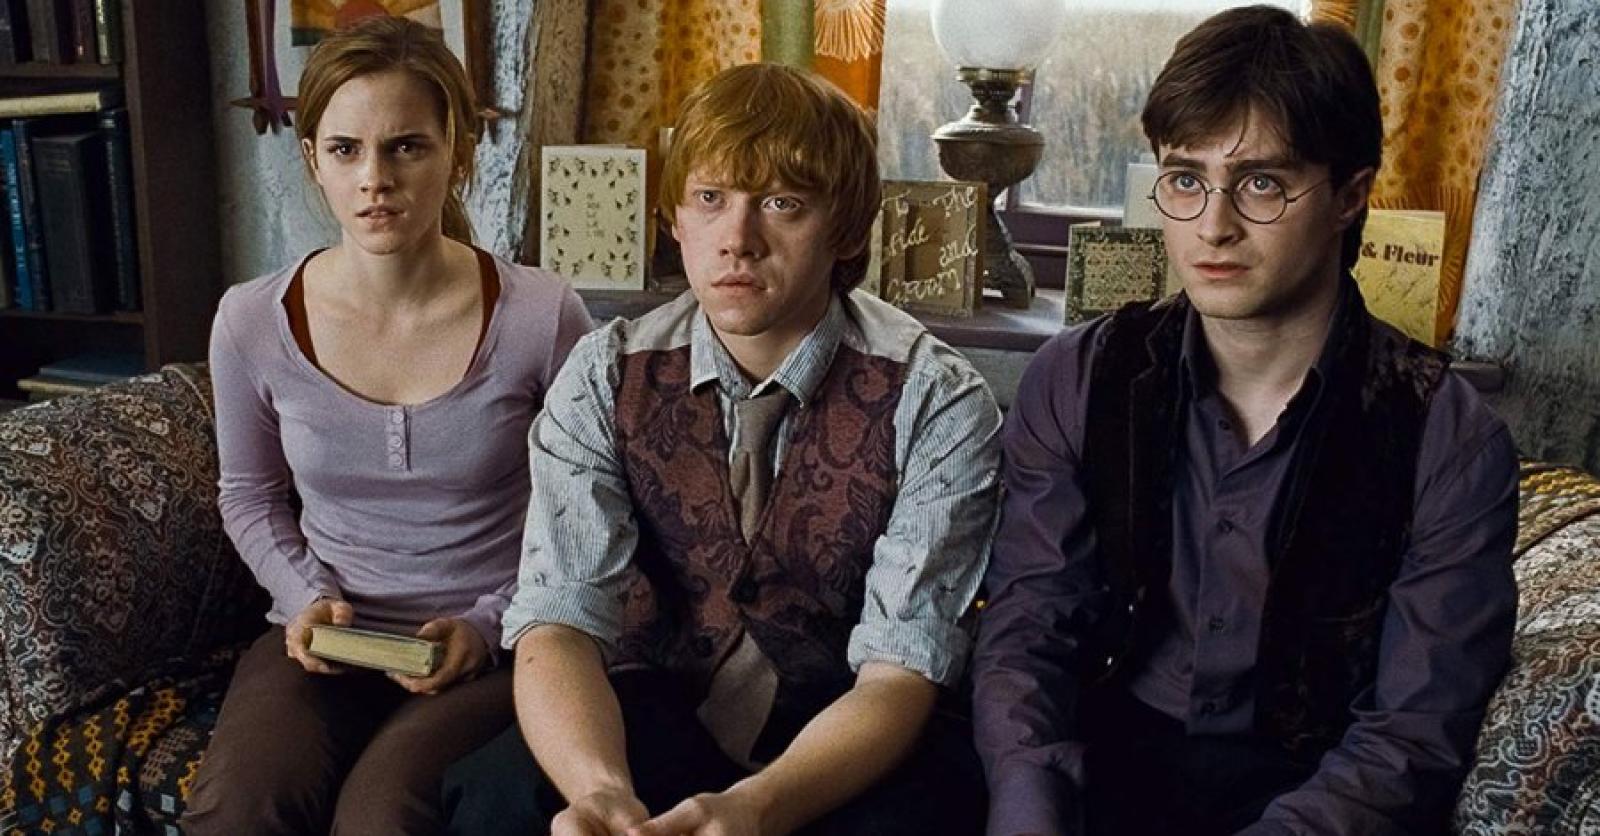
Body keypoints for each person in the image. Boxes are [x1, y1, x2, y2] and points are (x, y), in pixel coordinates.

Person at [972, 6, 1518, 835]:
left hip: (1313, 796)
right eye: (1186, 180)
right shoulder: (1078, 378)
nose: (1213, 226)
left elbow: (1411, 738)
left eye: (1262, 183)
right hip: (1094, 772)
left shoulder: (1447, 436)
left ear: (1350, 195)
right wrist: (1029, 816)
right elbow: (1029, 634)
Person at [442, 62, 1000, 835]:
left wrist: (756, 808)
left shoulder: (937, 397)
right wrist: (598, 792)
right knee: (497, 802)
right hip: (653, 706)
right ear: (675, 217)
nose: (738, 240)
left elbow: (898, 673)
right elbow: (558, 622)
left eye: (782, 203)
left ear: (845, 229)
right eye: (711, 199)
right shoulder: (607, 373)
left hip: (845, 727)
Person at [181, 16, 592, 835]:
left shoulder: (542, 317)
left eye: (407, 147)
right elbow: (249, 496)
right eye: (346, 150)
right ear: (313, 159)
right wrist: (306, 598)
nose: (375, 178)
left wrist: (487, 624)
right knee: (240, 808)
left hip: (500, 641)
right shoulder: (250, 320)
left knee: (381, 817)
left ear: (458, 153)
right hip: (325, 634)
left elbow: (584, 513)